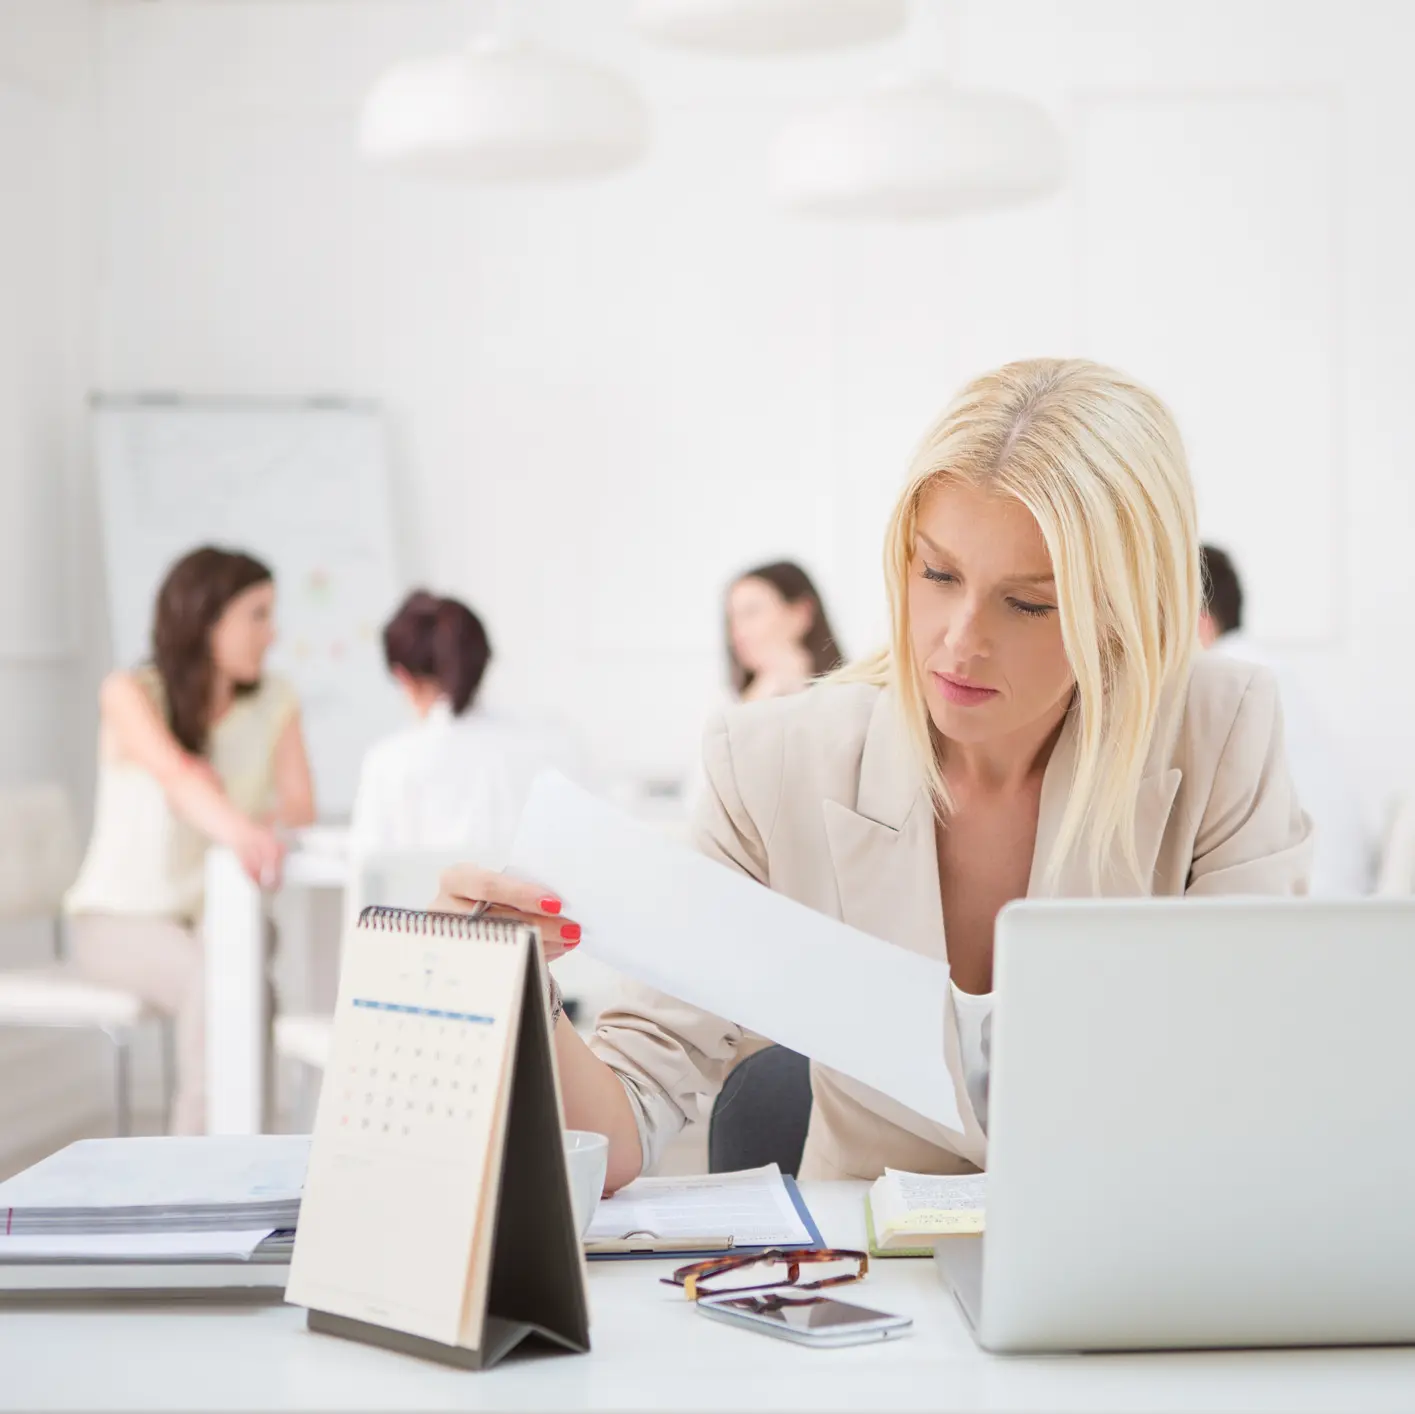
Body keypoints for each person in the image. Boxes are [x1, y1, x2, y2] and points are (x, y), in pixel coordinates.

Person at [434, 358, 1313, 1192]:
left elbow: (1253, 1078)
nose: (958, 639)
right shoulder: (773, 762)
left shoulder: (1216, 727)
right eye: (937, 573)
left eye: (1027, 602)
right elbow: (620, 1124)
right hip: (863, 1300)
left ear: (1123, 611)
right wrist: (521, 995)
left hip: (1130, 1278)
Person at [65, 546, 315, 1134]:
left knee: (236, 975)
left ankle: (239, 1153)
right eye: (257, 614)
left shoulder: (276, 701)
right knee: (227, 981)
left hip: (213, 915)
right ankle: (197, 1162)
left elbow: (299, 804)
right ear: (208, 619)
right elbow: (176, 777)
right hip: (115, 921)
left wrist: (254, 824)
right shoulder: (130, 693)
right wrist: (239, 826)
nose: (271, 633)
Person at [350, 591, 579, 868]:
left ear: (403, 677)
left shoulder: (390, 761)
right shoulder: (549, 744)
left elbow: (369, 880)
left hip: (429, 910)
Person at [1199, 544, 1370, 895]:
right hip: (1338, 900)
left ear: (1200, 624)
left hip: (1307, 910)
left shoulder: (1229, 681)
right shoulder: (1262, 670)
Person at [725, 561, 844, 702]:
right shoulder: (727, 708)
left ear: (802, 613)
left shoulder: (855, 697)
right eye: (732, 619)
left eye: (751, 612)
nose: (738, 632)